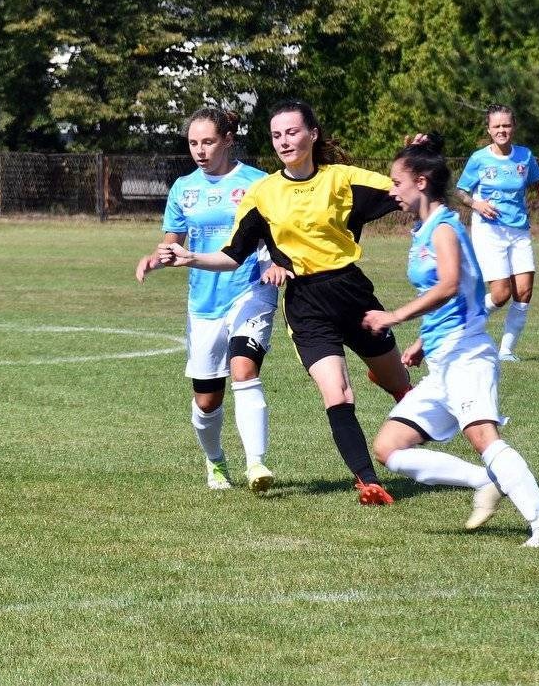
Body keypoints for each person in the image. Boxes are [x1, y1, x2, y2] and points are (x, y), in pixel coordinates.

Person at [156, 100, 412, 506]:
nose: (284, 141)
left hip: (354, 296)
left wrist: (415, 160)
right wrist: (192, 258)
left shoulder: (343, 179)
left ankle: (395, 391)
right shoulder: (263, 193)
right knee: (338, 394)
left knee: (402, 388)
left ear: (313, 134)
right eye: (276, 135)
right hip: (307, 305)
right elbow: (233, 254)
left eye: (292, 132)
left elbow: (405, 193)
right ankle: (367, 481)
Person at [362, 134, 539, 547]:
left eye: (396, 182)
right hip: (443, 357)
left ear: (420, 182)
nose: (390, 191)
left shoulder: (444, 228)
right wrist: (421, 340)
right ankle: (484, 481)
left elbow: (452, 284)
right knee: (389, 447)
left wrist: (395, 316)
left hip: (467, 354)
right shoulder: (422, 230)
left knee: (483, 438)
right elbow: (461, 291)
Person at [136, 107, 279, 493]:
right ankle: (216, 462)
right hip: (203, 301)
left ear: (228, 140)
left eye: (208, 142)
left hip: (250, 289)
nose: (200, 150)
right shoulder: (184, 188)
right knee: (206, 400)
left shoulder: (259, 183)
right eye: (193, 143)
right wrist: (156, 258)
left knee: (245, 369)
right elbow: (172, 243)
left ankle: (257, 465)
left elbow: (278, 234)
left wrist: (275, 264)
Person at [455, 104, 539, 362]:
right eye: (497, 126)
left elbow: (538, 181)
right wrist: (476, 204)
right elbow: (459, 192)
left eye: (507, 125)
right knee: (501, 294)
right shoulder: (479, 158)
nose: (502, 130)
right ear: (489, 130)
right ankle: (464, 325)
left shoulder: (524, 155)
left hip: (519, 229)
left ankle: (506, 351)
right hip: (489, 231)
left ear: (513, 127)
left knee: (523, 292)